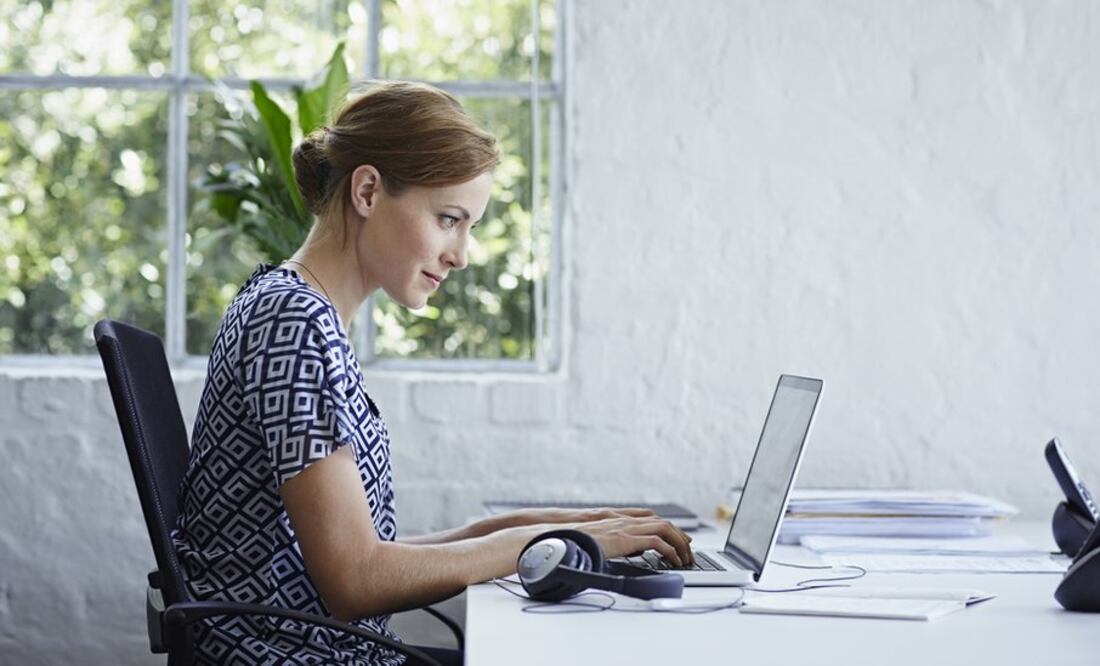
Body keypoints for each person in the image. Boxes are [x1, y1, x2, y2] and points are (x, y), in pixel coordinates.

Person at [172, 80, 693, 666]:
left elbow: (360, 555)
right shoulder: (292, 320)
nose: (461, 253)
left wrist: (547, 526)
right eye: (449, 219)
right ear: (367, 190)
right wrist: (535, 541)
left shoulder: (296, 307)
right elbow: (357, 580)